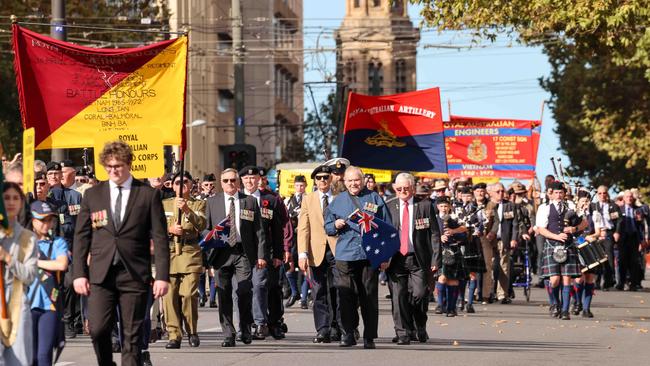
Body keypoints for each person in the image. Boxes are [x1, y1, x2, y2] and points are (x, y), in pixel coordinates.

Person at [72, 141, 170, 366]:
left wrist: (162, 276)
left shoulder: (147, 195)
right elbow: (81, 237)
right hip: (100, 274)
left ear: (128, 164)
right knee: (97, 328)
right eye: (109, 166)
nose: (113, 170)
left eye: (118, 165)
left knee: (132, 336)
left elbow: (161, 238)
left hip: (134, 274)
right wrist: (79, 273)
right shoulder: (93, 195)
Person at [324, 166, 390, 349]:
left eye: (357, 180)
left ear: (363, 180)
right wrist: (335, 224)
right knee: (346, 295)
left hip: (370, 254)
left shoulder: (375, 198)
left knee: (368, 295)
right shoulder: (338, 201)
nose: (354, 184)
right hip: (345, 254)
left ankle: (369, 336)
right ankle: (348, 333)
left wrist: (385, 256)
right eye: (350, 180)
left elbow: (387, 227)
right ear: (345, 182)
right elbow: (327, 226)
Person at [203, 168, 266, 347]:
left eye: (233, 180)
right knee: (223, 294)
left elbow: (259, 231)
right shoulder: (212, 202)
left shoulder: (250, 201)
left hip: (243, 252)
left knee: (244, 290)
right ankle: (228, 333)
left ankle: (245, 329)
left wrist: (261, 255)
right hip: (221, 252)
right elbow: (205, 228)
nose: (230, 184)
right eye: (226, 181)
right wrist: (212, 235)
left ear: (238, 182)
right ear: (221, 183)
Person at [385, 172, 438, 344]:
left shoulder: (425, 206)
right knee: (398, 297)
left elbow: (434, 234)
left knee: (420, 294)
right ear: (394, 188)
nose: (402, 191)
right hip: (396, 259)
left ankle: (419, 325)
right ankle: (403, 332)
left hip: (418, 258)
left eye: (406, 188)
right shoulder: (389, 206)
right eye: (399, 189)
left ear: (413, 188)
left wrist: (435, 260)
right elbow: (381, 235)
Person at [240, 166, 287, 340]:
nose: (250, 181)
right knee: (248, 288)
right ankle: (255, 322)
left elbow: (277, 230)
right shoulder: (238, 199)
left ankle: (270, 323)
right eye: (246, 179)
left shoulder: (270, 200)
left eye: (253, 178)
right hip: (243, 253)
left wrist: (278, 254)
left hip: (266, 252)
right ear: (242, 181)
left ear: (259, 180)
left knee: (268, 287)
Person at [162, 171, 206, 349]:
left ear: (191, 185)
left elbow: (201, 225)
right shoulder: (165, 204)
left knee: (188, 295)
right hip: (170, 252)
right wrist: (170, 229)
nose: (182, 185)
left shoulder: (199, 203)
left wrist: (187, 210)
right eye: (178, 182)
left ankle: (192, 330)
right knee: (169, 297)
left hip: (190, 252)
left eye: (185, 182)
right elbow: (155, 225)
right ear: (172, 186)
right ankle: (174, 334)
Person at [297, 165, 341, 343]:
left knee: (338, 290)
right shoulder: (308, 199)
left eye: (325, 177)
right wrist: (302, 253)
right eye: (319, 178)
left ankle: (337, 326)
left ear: (331, 179)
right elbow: (303, 228)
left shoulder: (340, 198)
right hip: (316, 252)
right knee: (318, 291)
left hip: (338, 250)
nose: (322, 181)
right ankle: (322, 329)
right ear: (314, 181)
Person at [0, 181, 38, 365]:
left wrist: (8, 258)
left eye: (16, 198)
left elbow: (30, 276)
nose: (11, 202)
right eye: (6, 198)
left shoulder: (28, 238)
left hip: (16, 303)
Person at [27, 200, 69, 366]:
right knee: (30, 356)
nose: (46, 224)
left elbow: (61, 264)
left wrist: (34, 262)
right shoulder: (23, 243)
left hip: (49, 306)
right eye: (42, 220)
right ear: (32, 220)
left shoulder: (57, 243)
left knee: (44, 355)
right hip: (25, 305)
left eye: (49, 220)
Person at [536, 181, 585, 320]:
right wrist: (556, 236)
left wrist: (573, 229)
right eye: (556, 193)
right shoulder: (544, 208)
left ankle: (565, 311)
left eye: (561, 193)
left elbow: (584, 223)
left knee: (566, 280)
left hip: (568, 246)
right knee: (555, 279)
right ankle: (554, 303)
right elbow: (541, 229)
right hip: (552, 245)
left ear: (564, 194)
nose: (558, 195)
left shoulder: (571, 206)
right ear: (551, 194)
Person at [433, 197, 468, 317]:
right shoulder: (433, 219)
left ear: (449, 207)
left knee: (453, 281)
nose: (444, 208)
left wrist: (454, 232)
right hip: (439, 251)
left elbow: (464, 235)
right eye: (441, 206)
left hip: (453, 251)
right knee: (442, 278)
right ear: (438, 207)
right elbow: (427, 235)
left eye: (446, 206)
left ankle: (451, 308)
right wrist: (439, 238)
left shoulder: (454, 220)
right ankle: (440, 305)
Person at [485, 182, 519, 304]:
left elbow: (515, 224)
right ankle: (488, 292)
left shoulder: (510, 206)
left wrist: (514, 238)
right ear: (491, 193)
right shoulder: (487, 205)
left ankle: (502, 294)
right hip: (489, 240)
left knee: (504, 266)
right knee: (491, 266)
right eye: (498, 191)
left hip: (503, 240)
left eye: (502, 191)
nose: (501, 194)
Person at [590, 185, 621, 290]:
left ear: (607, 194)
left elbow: (619, 221)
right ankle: (596, 282)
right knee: (597, 258)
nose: (602, 195)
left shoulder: (613, 206)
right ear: (597, 194)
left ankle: (608, 282)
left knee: (609, 259)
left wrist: (617, 232)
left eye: (604, 193)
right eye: (599, 193)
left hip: (608, 234)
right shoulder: (593, 206)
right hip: (596, 234)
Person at [285, 175, 307, 309]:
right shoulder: (288, 200)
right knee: (289, 265)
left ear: (306, 186)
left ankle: (304, 298)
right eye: (298, 185)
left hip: (304, 237)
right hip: (292, 237)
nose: (300, 188)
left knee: (305, 267)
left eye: (302, 185)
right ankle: (294, 292)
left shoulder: (310, 199)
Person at [616, 190, 643, 291]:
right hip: (623, 238)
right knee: (622, 261)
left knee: (634, 262)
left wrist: (642, 240)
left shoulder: (638, 210)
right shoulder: (619, 209)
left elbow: (641, 227)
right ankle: (621, 283)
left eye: (631, 197)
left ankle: (634, 284)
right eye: (627, 197)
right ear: (624, 198)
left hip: (634, 238)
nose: (629, 198)